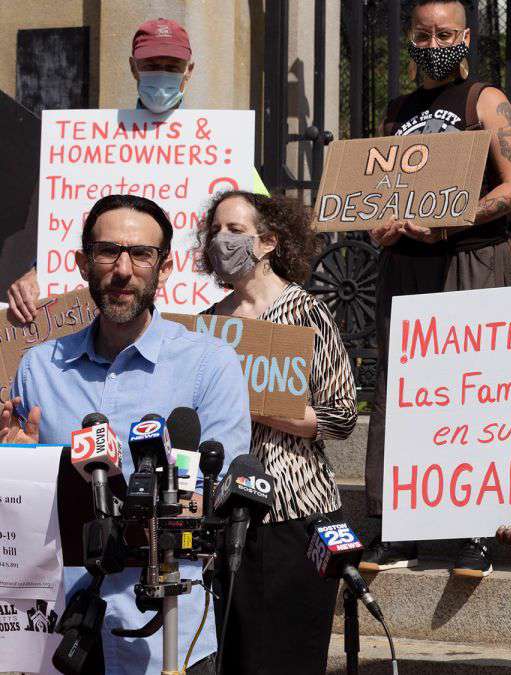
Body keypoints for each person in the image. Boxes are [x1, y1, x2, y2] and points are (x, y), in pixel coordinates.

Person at [0, 193, 251, 674]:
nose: (122, 270)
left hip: (170, 630)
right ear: (82, 264)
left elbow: (217, 496)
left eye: (140, 254)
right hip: (60, 628)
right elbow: (19, 512)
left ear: (165, 267)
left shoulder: (210, 365)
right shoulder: (38, 368)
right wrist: (17, 465)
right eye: (108, 251)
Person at [360, 0, 511, 577]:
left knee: (473, 387)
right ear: (410, 39)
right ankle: (396, 524)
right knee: (400, 389)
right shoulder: (396, 111)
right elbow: (380, 192)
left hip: (470, 259)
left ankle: (477, 528)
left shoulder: (486, 101)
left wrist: (452, 220)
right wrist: (378, 224)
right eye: (423, 35)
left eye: (445, 34)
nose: (434, 45)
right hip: (405, 266)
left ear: (466, 37)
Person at [5, 17, 267, 322]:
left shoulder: (225, 148)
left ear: (189, 70)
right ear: (133, 67)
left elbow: (263, 233)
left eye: (171, 66)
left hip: (193, 319)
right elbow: (67, 225)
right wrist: (39, 274)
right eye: (151, 65)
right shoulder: (90, 144)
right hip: (110, 320)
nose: (162, 74)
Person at [194, 191, 358, 673]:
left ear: (267, 242)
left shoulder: (307, 313)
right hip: (225, 518)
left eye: (235, 231)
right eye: (215, 231)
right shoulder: (208, 323)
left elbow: (340, 416)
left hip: (295, 514)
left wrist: (257, 406)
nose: (221, 241)